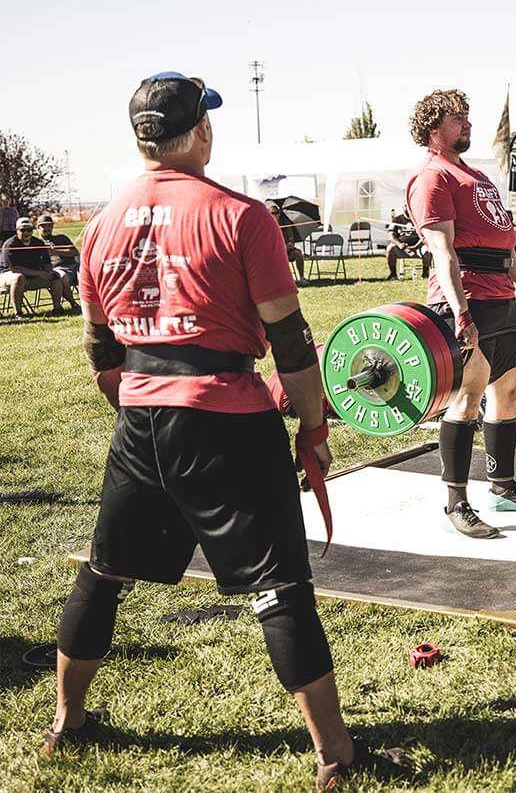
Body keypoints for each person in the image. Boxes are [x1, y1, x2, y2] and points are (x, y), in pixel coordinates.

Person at [44, 71, 406, 788]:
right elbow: (292, 341)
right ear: (201, 132)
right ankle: (336, 756)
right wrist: (311, 421)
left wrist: (137, 405)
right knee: (279, 585)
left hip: (142, 418)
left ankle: (68, 723)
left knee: (104, 572)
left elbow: (100, 351)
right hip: (228, 418)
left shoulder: (100, 224)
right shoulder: (242, 215)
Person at [406, 89, 516, 539]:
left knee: (505, 391)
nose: (467, 123)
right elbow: (442, 251)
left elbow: (507, 246)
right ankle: (456, 502)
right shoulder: (433, 178)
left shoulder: (476, 177)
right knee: (468, 398)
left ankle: (504, 485)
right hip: (466, 300)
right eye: (457, 118)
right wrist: (460, 313)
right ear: (434, 128)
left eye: (468, 116)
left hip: (500, 299)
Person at [0, 216, 64, 319]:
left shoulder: (38, 243)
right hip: (6, 276)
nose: (26, 233)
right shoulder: (10, 244)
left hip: (31, 276)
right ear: (17, 230)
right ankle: (18, 314)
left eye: (29, 230)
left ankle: (58, 309)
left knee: (55, 276)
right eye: (22, 230)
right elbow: (14, 269)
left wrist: (48, 271)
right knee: (18, 277)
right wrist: (39, 273)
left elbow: (46, 262)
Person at [36, 215, 81, 313]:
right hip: (57, 269)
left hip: (75, 266)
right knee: (62, 276)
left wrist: (56, 251)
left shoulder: (62, 238)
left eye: (49, 225)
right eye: (43, 226)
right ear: (38, 228)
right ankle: (74, 304)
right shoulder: (36, 243)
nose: (47, 228)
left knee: (87, 275)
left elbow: (74, 252)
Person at [266, 201, 310, 287]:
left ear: (279, 214)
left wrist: (289, 244)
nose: (274, 215)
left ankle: (301, 278)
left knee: (298, 253)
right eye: (272, 213)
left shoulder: (286, 225)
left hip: (287, 251)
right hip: (274, 253)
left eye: (276, 213)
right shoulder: (267, 226)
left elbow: (291, 239)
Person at [385, 203, 432, 280]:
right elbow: (391, 236)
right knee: (390, 248)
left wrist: (415, 246)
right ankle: (393, 274)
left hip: (418, 248)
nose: (409, 208)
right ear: (403, 207)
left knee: (428, 250)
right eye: (406, 206)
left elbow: (425, 235)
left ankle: (425, 274)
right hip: (401, 248)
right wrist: (399, 244)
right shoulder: (396, 220)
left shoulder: (419, 218)